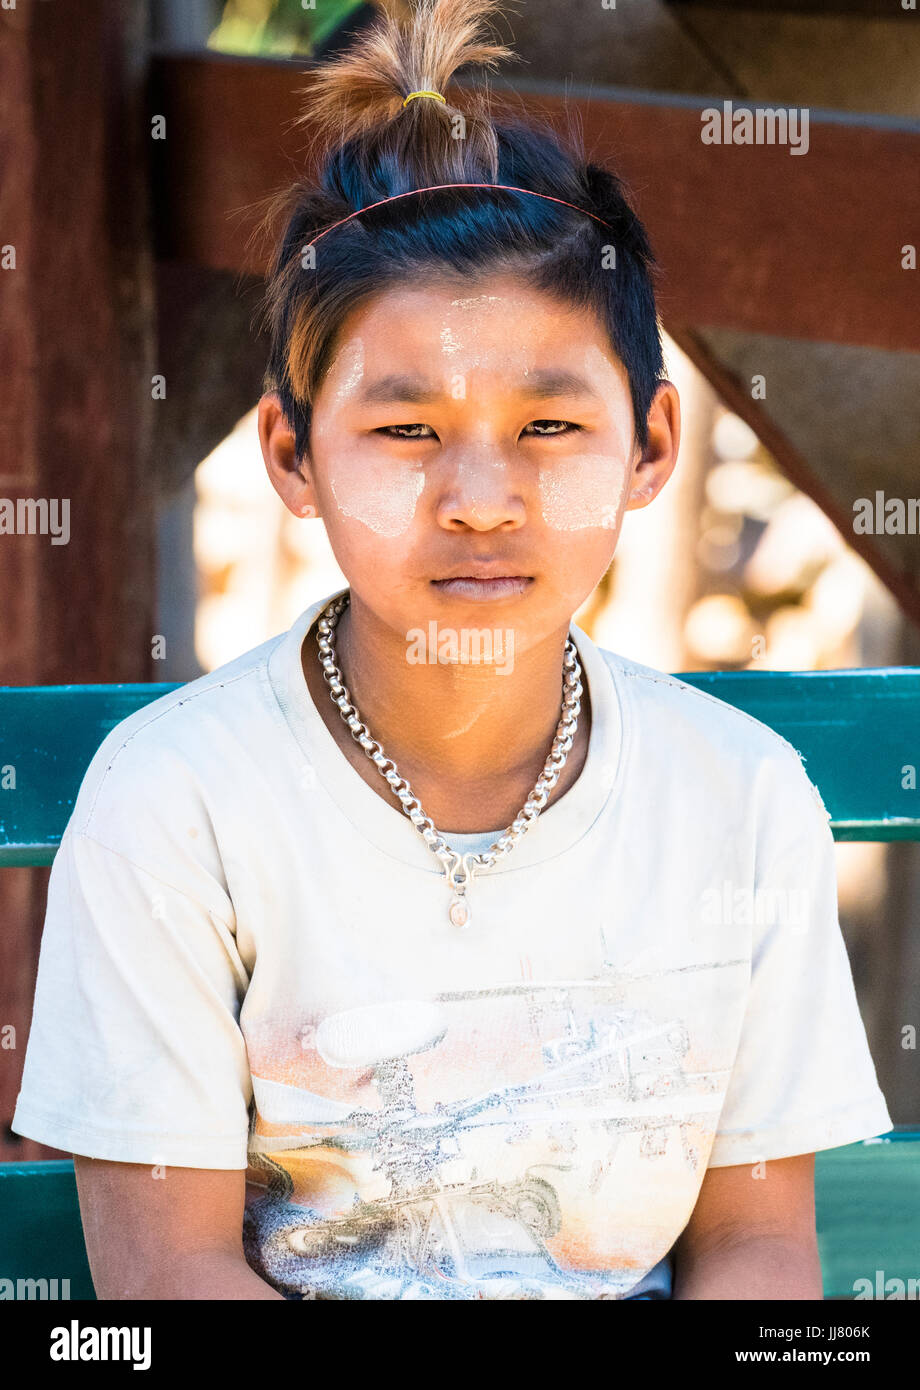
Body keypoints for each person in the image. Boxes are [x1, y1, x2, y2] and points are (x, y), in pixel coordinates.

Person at [12, 0, 891, 1301]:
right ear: (292, 456)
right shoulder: (178, 804)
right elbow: (166, 1276)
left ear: (650, 446)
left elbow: (757, 1242)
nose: (482, 496)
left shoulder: (741, 799)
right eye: (408, 430)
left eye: (548, 426)